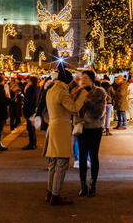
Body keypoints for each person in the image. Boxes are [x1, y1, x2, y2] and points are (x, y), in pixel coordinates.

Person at [44, 66, 88, 206]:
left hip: (53, 126)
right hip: (60, 128)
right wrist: (82, 96)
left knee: (53, 162)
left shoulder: (51, 90)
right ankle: (55, 196)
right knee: (62, 162)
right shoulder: (61, 92)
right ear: (66, 81)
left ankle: (50, 192)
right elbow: (73, 108)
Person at [74, 70, 106, 197]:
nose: (84, 80)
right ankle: (83, 185)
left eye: (86, 77)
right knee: (82, 157)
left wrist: (86, 100)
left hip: (94, 128)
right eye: (82, 78)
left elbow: (99, 112)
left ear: (92, 79)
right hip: (81, 128)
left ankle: (93, 185)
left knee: (93, 156)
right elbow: (74, 109)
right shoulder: (78, 92)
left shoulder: (99, 92)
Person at [22, 76, 40, 149]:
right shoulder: (37, 88)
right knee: (31, 127)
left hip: (29, 110)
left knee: (30, 127)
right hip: (32, 109)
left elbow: (29, 100)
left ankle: (32, 144)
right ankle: (33, 143)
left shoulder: (31, 89)